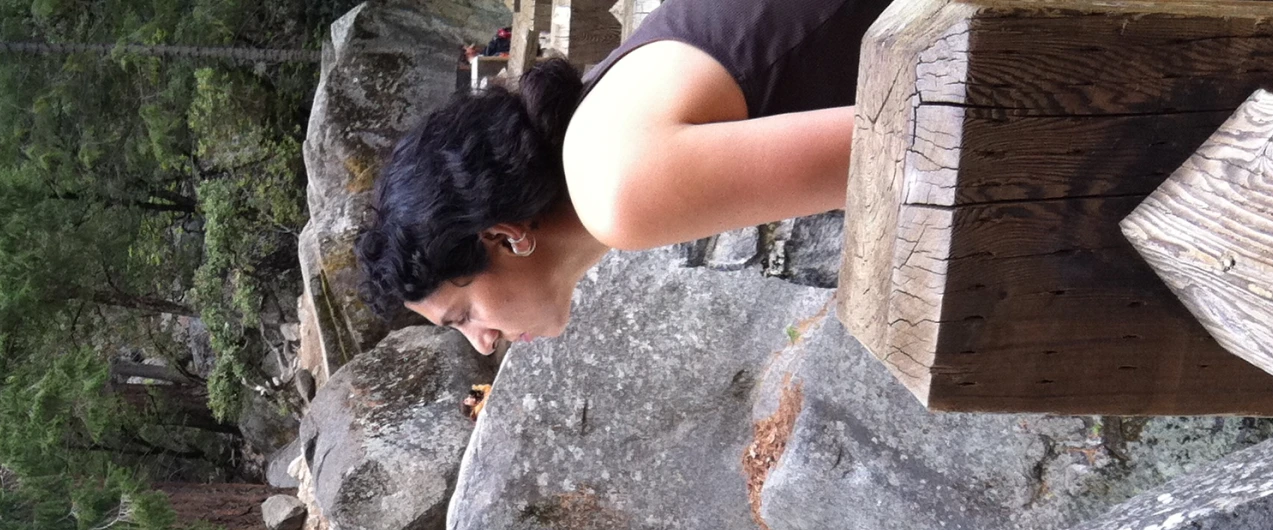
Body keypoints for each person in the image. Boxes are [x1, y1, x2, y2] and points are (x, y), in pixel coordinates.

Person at [357, 0, 891, 355]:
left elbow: (907, 152)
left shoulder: (616, 188)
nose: (483, 342)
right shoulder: (594, 126)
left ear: (501, 235)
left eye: (464, 315)